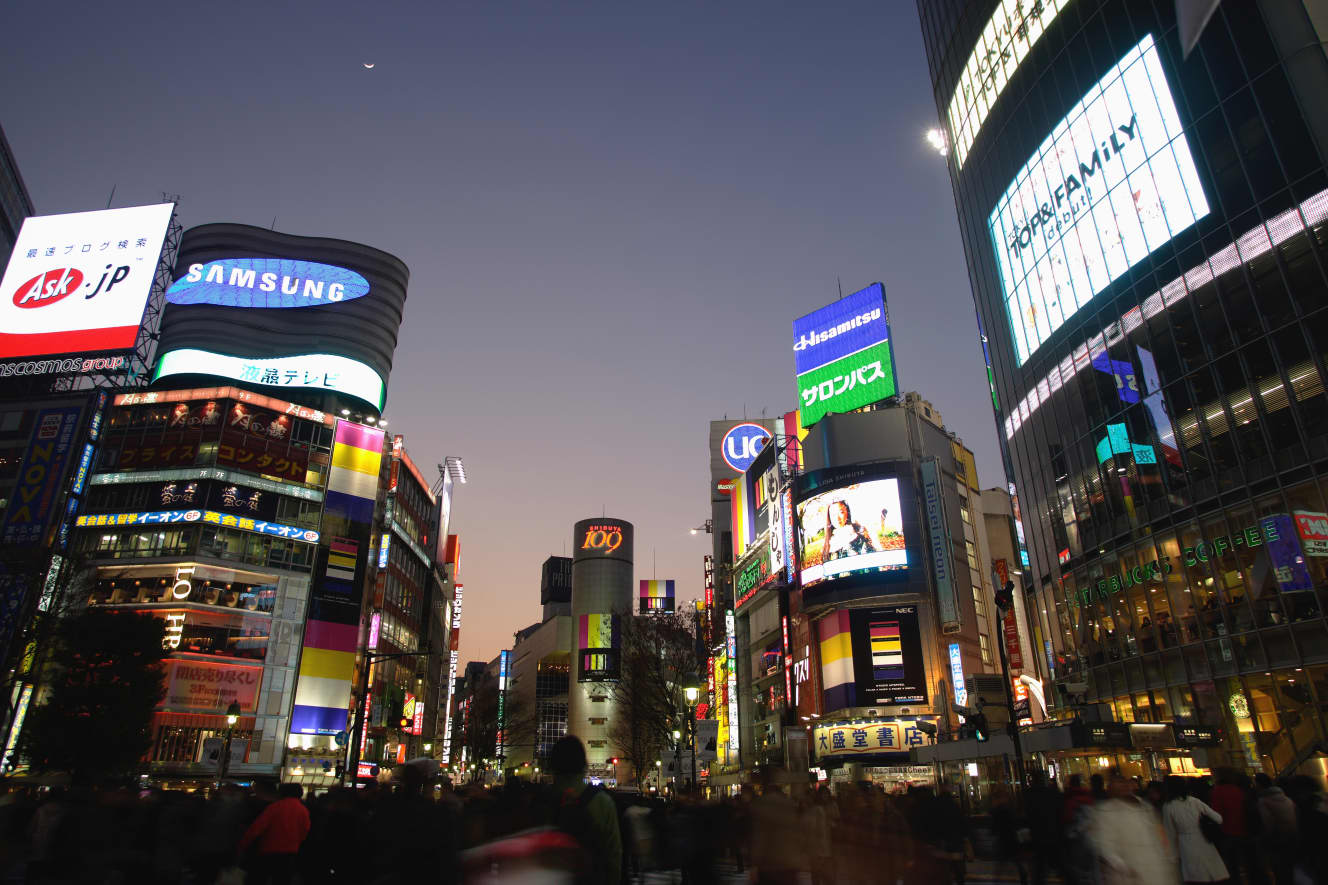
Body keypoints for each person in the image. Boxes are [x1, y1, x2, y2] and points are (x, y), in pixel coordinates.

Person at [547, 735, 621, 885]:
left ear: (552, 765)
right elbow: (614, 856)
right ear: (584, 765)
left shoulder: (540, 800)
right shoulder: (602, 802)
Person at [1087, 774, 1175, 885]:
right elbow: (1105, 847)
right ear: (1109, 790)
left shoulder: (1145, 807)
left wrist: (1167, 861)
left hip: (1155, 871)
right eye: (1117, 785)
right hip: (1129, 875)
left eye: (1123, 783)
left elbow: (1160, 838)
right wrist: (1124, 867)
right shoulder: (1104, 812)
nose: (1123, 787)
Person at [238, 783, 310, 885]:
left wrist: (243, 844)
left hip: (269, 849)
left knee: (259, 878)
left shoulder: (275, 807)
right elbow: (305, 830)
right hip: (290, 851)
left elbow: (257, 827)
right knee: (281, 879)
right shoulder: (303, 810)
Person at [1162, 776, 1228, 884]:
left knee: (1196, 877)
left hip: (1186, 845)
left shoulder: (1168, 806)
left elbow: (1170, 833)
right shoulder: (1195, 801)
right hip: (1205, 841)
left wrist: (1173, 856)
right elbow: (1218, 818)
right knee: (1213, 875)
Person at [1210, 768, 1263, 885]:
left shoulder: (1218, 791)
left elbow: (1217, 814)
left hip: (1228, 832)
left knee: (1232, 866)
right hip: (1246, 830)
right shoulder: (1239, 790)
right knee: (1251, 864)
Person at [1253, 774, 1296, 885]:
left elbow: (1268, 823)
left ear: (1258, 784)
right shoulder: (1285, 797)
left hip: (1276, 840)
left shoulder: (1263, 801)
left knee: (1280, 871)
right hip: (1292, 837)